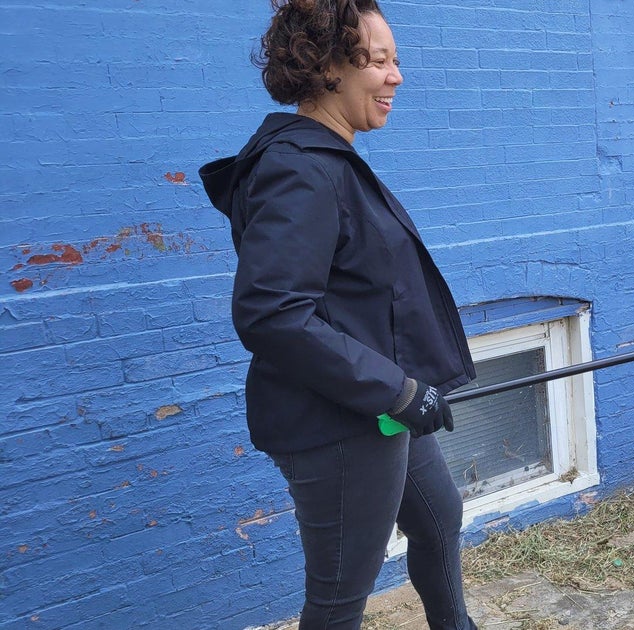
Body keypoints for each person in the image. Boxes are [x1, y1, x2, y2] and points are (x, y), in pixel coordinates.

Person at [198, 2, 478, 628]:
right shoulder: (300, 169)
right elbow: (272, 313)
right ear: (326, 67)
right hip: (337, 424)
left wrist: (404, 388)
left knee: (439, 518)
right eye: (377, 61)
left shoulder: (330, 158)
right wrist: (398, 390)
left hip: (380, 406)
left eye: (395, 61)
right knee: (338, 599)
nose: (395, 76)